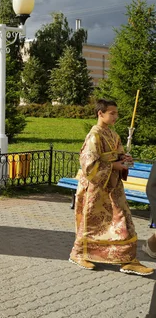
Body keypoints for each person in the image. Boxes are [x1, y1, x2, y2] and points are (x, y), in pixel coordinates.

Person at [69, 99, 153, 276]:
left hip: (113, 187)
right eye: (112, 113)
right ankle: (79, 254)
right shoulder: (94, 135)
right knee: (91, 224)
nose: (115, 116)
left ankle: (127, 259)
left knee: (124, 222)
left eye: (116, 113)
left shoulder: (113, 135)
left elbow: (119, 155)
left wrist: (125, 160)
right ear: (101, 113)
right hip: (95, 188)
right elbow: (89, 165)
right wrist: (115, 166)